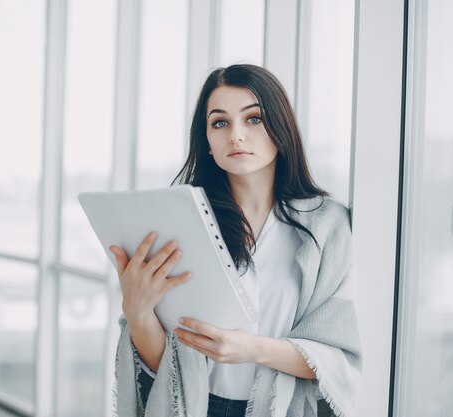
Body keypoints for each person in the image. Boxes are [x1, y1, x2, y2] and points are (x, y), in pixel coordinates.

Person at [109, 64, 361, 417]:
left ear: (281, 129)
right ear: (208, 141)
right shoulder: (181, 221)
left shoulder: (328, 226)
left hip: (279, 409)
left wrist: (252, 349)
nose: (236, 135)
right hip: (193, 407)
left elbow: (342, 358)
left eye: (253, 119)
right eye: (220, 122)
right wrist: (137, 312)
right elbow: (162, 362)